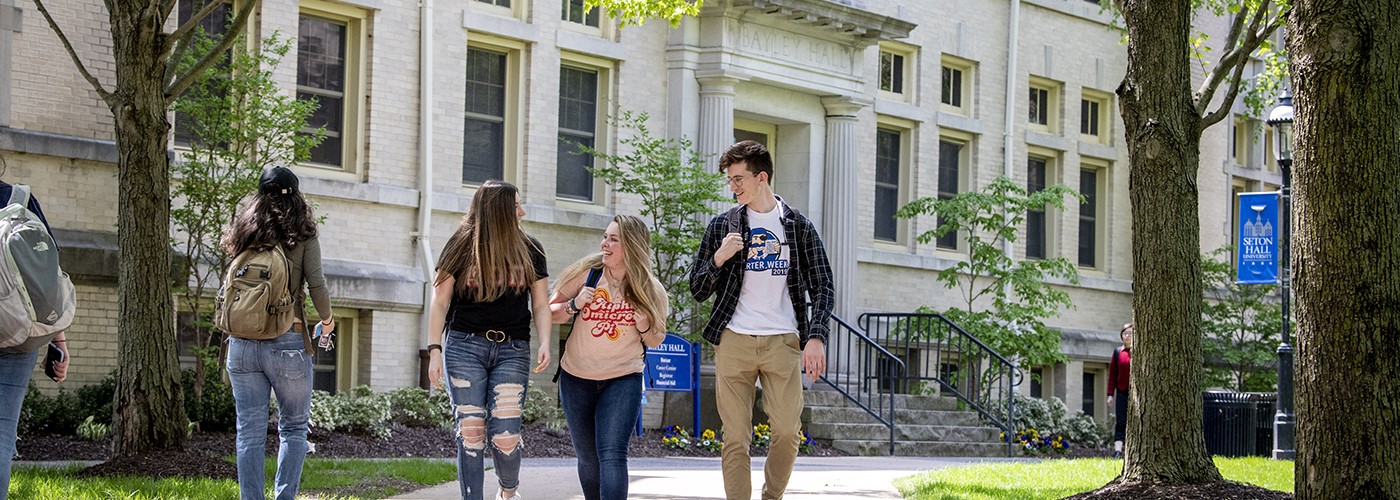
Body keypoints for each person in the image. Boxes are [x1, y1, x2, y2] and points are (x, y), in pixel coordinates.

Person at [689, 141, 833, 500]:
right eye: (730, 180)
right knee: (735, 437)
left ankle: (772, 497)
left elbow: (824, 286)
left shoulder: (798, 227)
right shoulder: (723, 225)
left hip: (782, 341)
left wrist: (816, 337)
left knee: (786, 431)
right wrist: (719, 259)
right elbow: (697, 289)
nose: (733, 186)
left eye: (739, 179)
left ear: (762, 177)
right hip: (734, 339)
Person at [427, 180, 551, 500]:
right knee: (470, 431)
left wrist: (546, 342)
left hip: (512, 348)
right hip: (464, 345)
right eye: (515, 207)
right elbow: (440, 301)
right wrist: (434, 350)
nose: (522, 212)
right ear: (498, 212)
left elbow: (539, 303)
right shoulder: (460, 246)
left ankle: (508, 492)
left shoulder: (531, 249)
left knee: (506, 434)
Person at [220, 166, 334, 500]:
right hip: (288, 341)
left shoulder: (245, 233)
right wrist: (326, 321)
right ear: (296, 196)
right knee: (294, 428)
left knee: (249, 433)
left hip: (241, 344)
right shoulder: (303, 233)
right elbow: (317, 284)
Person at [548, 215, 668, 500]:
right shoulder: (585, 273)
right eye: (605, 237)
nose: (605, 243)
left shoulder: (651, 289)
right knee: (588, 457)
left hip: (622, 379)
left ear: (632, 246)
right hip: (576, 378)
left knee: (613, 455)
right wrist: (574, 305)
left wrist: (644, 325)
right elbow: (548, 313)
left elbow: (656, 338)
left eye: (614, 239)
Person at [0, 153, 69, 500]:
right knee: (1, 434)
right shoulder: (20, 201)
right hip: (17, 334)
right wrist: (58, 338)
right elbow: (47, 278)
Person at [1107, 322, 1133, 459]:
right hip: (1122, 391)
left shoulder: (1139, 352)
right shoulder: (1118, 352)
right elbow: (1112, 375)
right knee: (1121, 421)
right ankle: (1118, 451)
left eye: (1130, 333)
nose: (1127, 336)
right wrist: (1110, 394)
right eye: (1125, 333)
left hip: (1136, 393)